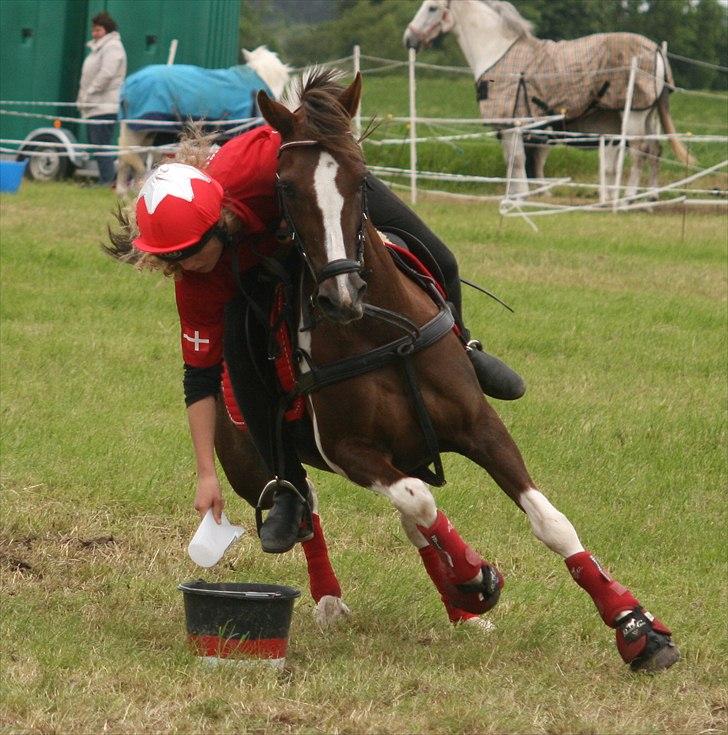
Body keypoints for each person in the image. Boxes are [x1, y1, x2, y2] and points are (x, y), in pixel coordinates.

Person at [106, 121, 525, 555]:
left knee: (442, 256)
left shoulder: (257, 166)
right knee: (240, 345)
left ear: (219, 224)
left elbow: (306, 130)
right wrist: (206, 474)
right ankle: (287, 484)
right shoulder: (195, 280)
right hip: (273, 252)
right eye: (168, 260)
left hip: (316, 188)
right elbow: (199, 378)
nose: (182, 267)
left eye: (188, 254)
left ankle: (466, 347)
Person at [76, 11, 127, 186]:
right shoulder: (100, 47)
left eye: (98, 30)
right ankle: (109, 178)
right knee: (97, 143)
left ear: (107, 30)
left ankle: (107, 180)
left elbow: (107, 73)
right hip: (96, 105)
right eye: (94, 30)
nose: (94, 33)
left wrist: (89, 92)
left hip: (105, 104)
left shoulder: (112, 47)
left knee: (101, 143)